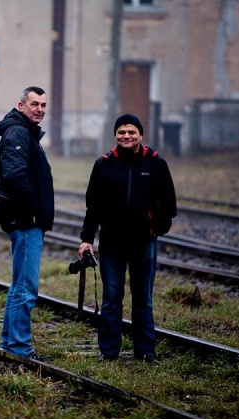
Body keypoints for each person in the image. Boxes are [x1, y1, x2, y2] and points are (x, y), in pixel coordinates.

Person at [78, 113, 177, 363]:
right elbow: (93, 207)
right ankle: (109, 353)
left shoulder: (155, 164)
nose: (126, 136)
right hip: (111, 244)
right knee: (112, 299)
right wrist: (86, 238)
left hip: (144, 243)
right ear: (115, 136)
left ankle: (145, 352)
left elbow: (169, 204)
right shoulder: (103, 164)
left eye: (131, 132)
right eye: (121, 132)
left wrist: (157, 227)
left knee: (143, 299)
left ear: (140, 135)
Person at [0, 86, 55, 361]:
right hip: (26, 221)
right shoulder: (18, 133)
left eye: (43, 105)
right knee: (26, 287)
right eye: (34, 104)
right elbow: (15, 175)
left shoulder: (25, 133)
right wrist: (35, 208)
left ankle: (10, 343)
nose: (39, 109)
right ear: (21, 106)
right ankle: (19, 347)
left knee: (19, 285)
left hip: (27, 220)